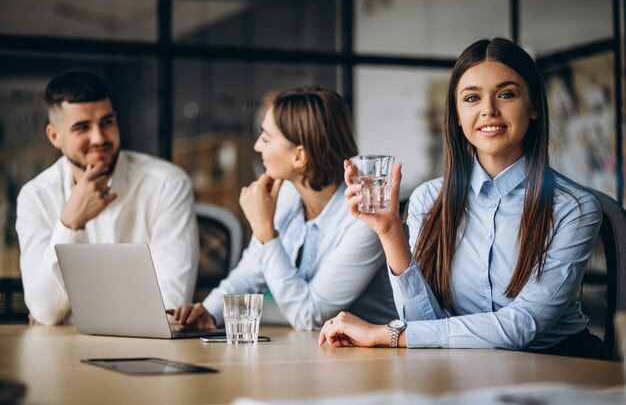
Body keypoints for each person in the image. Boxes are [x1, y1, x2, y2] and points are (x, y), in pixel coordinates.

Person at [318, 37, 608, 360]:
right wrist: (389, 231)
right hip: (466, 368)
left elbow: (524, 326)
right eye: (472, 98)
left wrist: (385, 334)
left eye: (507, 94)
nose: (488, 110)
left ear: (534, 106)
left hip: (562, 368)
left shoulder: (574, 207)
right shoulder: (429, 199)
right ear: (457, 115)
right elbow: (424, 326)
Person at [171, 87, 397, 331]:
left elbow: (310, 316)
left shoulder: (363, 218)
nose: (257, 146)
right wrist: (209, 311)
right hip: (320, 350)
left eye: (266, 138)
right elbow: (250, 273)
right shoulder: (288, 194)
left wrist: (266, 231)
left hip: (377, 357)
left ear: (299, 156)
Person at [16, 70, 199, 326]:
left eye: (107, 122)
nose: (99, 137)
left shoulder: (167, 183)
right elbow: (45, 311)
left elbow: (170, 302)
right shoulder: (35, 196)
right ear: (55, 136)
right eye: (82, 127)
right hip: (63, 353)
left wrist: (71, 312)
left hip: (147, 352)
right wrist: (71, 223)